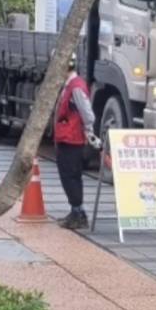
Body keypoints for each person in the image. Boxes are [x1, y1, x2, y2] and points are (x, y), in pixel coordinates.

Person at [54, 53, 101, 230]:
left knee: (71, 176)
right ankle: (75, 211)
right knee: (69, 176)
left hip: (72, 139)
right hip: (68, 138)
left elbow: (88, 115)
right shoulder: (70, 85)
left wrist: (88, 131)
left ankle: (78, 213)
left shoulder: (76, 88)